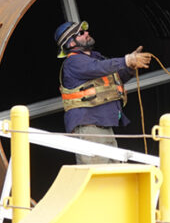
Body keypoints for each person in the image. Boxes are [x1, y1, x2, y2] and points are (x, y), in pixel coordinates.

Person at [54, 20, 152, 164]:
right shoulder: (74, 62)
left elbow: (116, 78)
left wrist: (130, 66)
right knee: (97, 176)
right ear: (71, 44)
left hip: (104, 125)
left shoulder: (95, 59)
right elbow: (98, 68)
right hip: (89, 129)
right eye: (80, 33)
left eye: (85, 30)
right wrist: (126, 60)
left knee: (113, 175)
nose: (86, 33)